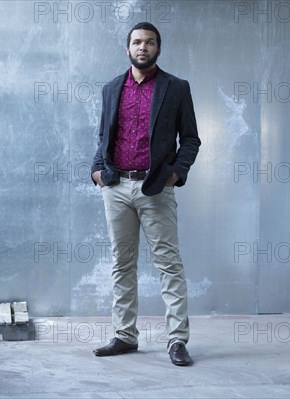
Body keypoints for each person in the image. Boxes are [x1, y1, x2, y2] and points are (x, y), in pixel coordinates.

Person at [90, 22, 201, 366]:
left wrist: (175, 174)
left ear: (158, 49)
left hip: (155, 188)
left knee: (168, 264)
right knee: (122, 264)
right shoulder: (111, 88)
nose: (143, 47)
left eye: (149, 43)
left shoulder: (176, 88)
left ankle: (177, 341)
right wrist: (97, 170)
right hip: (116, 186)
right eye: (137, 42)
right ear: (128, 48)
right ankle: (124, 336)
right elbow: (102, 137)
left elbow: (191, 139)